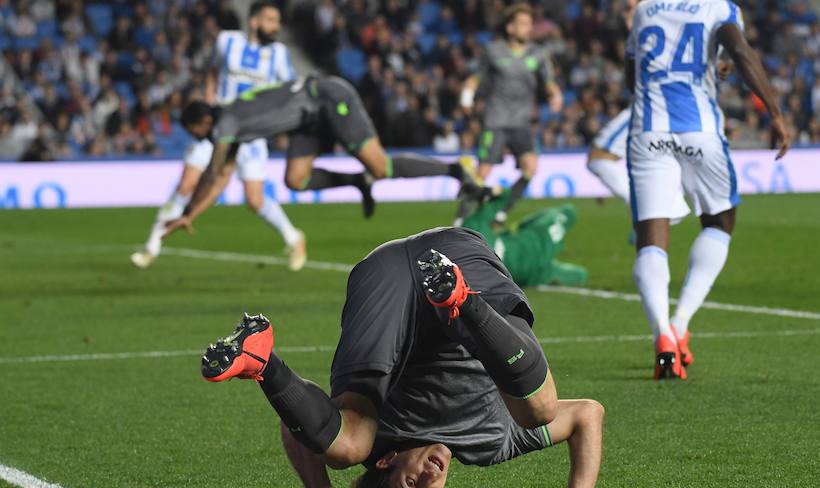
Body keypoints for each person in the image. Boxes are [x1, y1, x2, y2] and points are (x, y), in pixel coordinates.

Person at [198, 229, 605, 488]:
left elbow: (296, 430)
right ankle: (461, 303)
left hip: (393, 272)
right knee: (540, 408)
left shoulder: (374, 436)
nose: (430, 479)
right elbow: (589, 413)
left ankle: (263, 362)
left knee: (347, 444)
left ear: (387, 460)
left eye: (412, 482)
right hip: (427, 261)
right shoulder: (490, 445)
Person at [625, 0, 790, 379]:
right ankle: (680, 324)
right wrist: (776, 113)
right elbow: (741, 52)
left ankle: (661, 334)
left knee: (651, 234)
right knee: (720, 220)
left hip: (648, 131)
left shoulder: (644, 10)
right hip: (698, 130)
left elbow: (630, 78)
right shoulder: (719, 8)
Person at [164, 78, 479, 243]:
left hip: (328, 97)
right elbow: (220, 176)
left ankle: (455, 168)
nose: (201, 139)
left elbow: (214, 172)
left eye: (197, 133)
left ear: (202, 123)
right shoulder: (231, 119)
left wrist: (189, 211)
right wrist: (191, 215)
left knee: (381, 167)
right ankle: (357, 181)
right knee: (295, 180)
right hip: (308, 120)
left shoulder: (225, 123)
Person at [131, 1, 306, 271]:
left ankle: (294, 238)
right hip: (217, 129)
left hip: (252, 134)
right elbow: (213, 68)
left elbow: (290, 92)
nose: (276, 26)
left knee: (254, 200)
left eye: (278, 21)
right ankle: (151, 245)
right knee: (187, 183)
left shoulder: (280, 54)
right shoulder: (227, 41)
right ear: (255, 21)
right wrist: (210, 93)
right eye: (271, 20)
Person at [459, 3, 563, 225]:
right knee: (482, 173)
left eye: (529, 24)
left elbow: (549, 82)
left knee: (531, 167)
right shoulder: (493, 51)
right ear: (510, 28)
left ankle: (502, 212)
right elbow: (475, 78)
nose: (528, 28)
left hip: (521, 122)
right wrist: (467, 97)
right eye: (523, 24)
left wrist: (556, 96)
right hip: (496, 120)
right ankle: (460, 219)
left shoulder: (538, 53)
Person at [460, 187, 587, 287]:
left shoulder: (467, 241)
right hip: (532, 246)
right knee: (567, 212)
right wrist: (489, 190)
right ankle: (522, 227)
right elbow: (505, 194)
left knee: (579, 274)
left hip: (522, 277)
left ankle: (551, 273)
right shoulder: (475, 224)